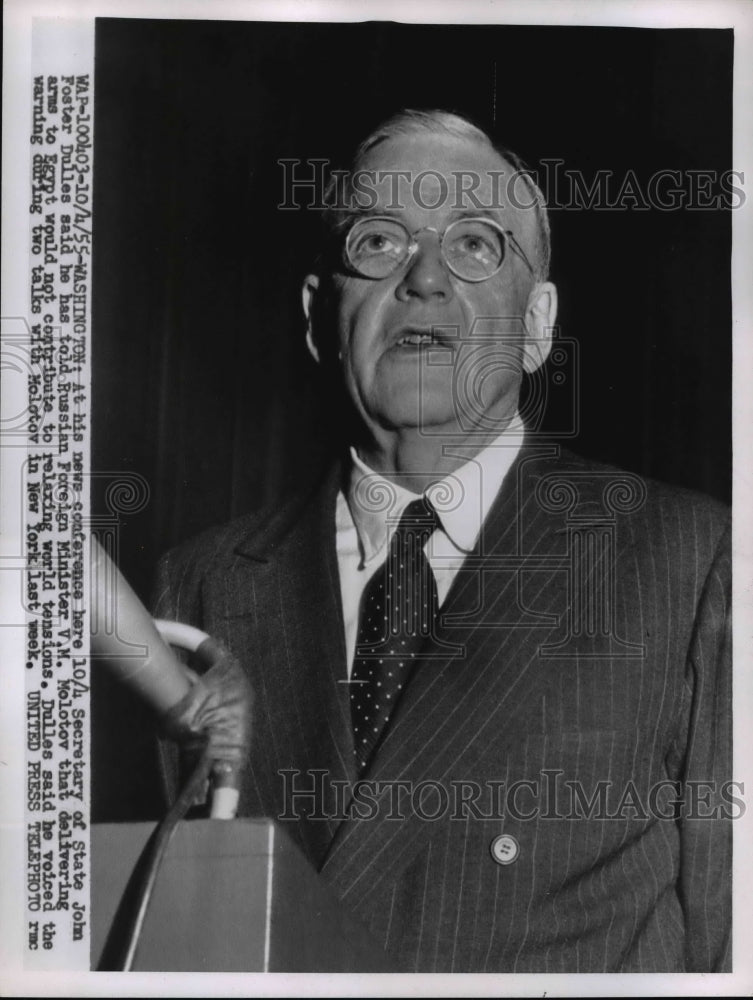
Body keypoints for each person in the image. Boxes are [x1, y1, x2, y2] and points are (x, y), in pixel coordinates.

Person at [152, 110, 731, 973]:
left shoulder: (690, 559)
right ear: (318, 317)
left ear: (536, 325)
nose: (423, 277)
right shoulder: (196, 587)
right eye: (379, 241)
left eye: (474, 245)